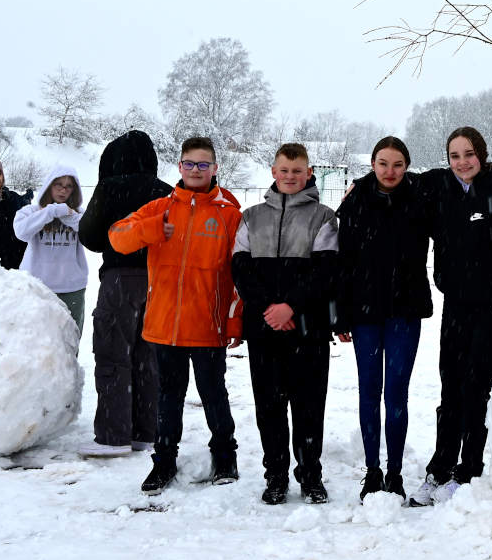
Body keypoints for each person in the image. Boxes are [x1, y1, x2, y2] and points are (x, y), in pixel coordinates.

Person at [109, 136, 244, 496]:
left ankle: (225, 456)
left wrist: (234, 320)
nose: (196, 170)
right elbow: (117, 237)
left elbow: (239, 276)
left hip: (207, 325)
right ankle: (164, 460)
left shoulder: (229, 215)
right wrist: (151, 229)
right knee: (168, 397)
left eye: (203, 164)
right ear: (180, 166)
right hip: (164, 325)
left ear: (214, 168)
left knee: (214, 394)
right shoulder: (160, 208)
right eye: (189, 164)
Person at [408, 127, 492, 507]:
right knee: (450, 388)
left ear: (482, 155)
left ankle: (468, 470)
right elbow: (398, 179)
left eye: (469, 154)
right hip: (456, 304)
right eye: (454, 155)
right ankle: (439, 468)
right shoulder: (441, 187)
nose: (462, 162)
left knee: (475, 388)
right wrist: (360, 184)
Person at [231, 143, 340, 505]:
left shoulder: (324, 217)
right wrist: (269, 309)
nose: (290, 176)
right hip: (264, 328)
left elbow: (325, 272)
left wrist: (291, 307)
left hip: (308, 328)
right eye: (284, 170)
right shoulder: (251, 217)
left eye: (297, 171)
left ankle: (310, 475)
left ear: (309, 173)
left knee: (309, 405)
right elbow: (240, 269)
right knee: (269, 406)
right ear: (273, 172)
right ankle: (275, 476)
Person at [335, 136, 433, 502]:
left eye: (397, 164)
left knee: (396, 394)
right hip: (365, 312)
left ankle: (395, 472)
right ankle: (372, 471)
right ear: (373, 164)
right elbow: (343, 262)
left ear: (407, 166)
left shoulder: (421, 198)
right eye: (383, 163)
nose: (390, 171)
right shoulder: (356, 201)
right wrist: (340, 314)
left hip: (405, 312)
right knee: (369, 391)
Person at [76, 130, 172, 458]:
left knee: (112, 352)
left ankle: (113, 435)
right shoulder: (166, 191)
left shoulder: (110, 188)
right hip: (158, 281)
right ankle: (146, 431)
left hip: (119, 278)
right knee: (148, 356)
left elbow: (90, 236)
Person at [12, 165, 88, 337]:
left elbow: (92, 232)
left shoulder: (80, 214)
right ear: (49, 185)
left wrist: (67, 215)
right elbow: (21, 232)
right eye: (58, 184)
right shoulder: (31, 211)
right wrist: (50, 212)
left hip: (72, 288)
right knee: (36, 339)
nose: (63, 190)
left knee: (70, 339)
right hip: (37, 287)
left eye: (69, 186)